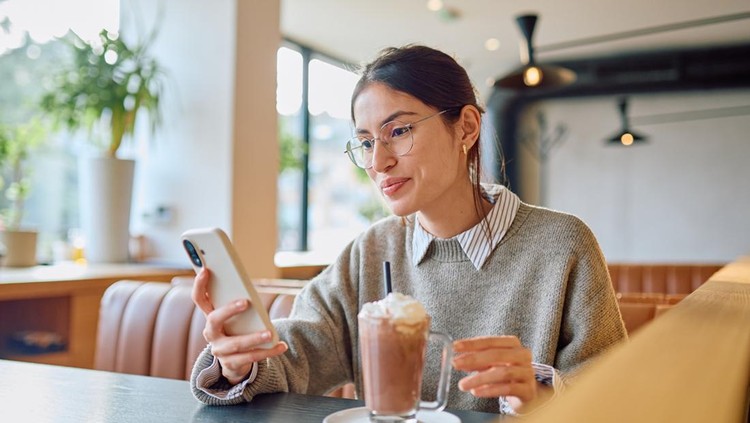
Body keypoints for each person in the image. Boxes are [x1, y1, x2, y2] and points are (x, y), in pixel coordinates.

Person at [190, 45, 627, 415]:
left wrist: (542, 392)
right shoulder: (371, 250)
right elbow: (297, 353)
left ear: (467, 128)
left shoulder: (562, 245)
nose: (378, 162)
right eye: (365, 142)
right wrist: (238, 362)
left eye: (398, 131)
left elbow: (618, 396)